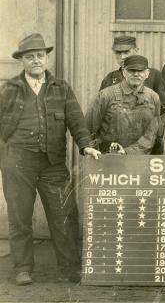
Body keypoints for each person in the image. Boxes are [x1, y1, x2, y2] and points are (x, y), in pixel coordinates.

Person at [0, 34, 101, 286]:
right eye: (30, 56)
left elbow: (76, 120)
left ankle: (69, 268)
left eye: (40, 56)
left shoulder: (61, 88)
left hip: (53, 163)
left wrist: (86, 145)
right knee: (20, 215)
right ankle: (23, 268)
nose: (36, 60)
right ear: (22, 60)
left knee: (64, 214)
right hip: (18, 162)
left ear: (47, 58)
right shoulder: (9, 89)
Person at [86, 54, 161, 154]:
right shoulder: (106, 95)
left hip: (141, 159)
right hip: (110, 158)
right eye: (131, 70)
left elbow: (153, 133)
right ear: (123, 72)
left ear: (147, 73)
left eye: (140, 71)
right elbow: (87, 129)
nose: (136, 74)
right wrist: (93, 153)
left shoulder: (153, 97)